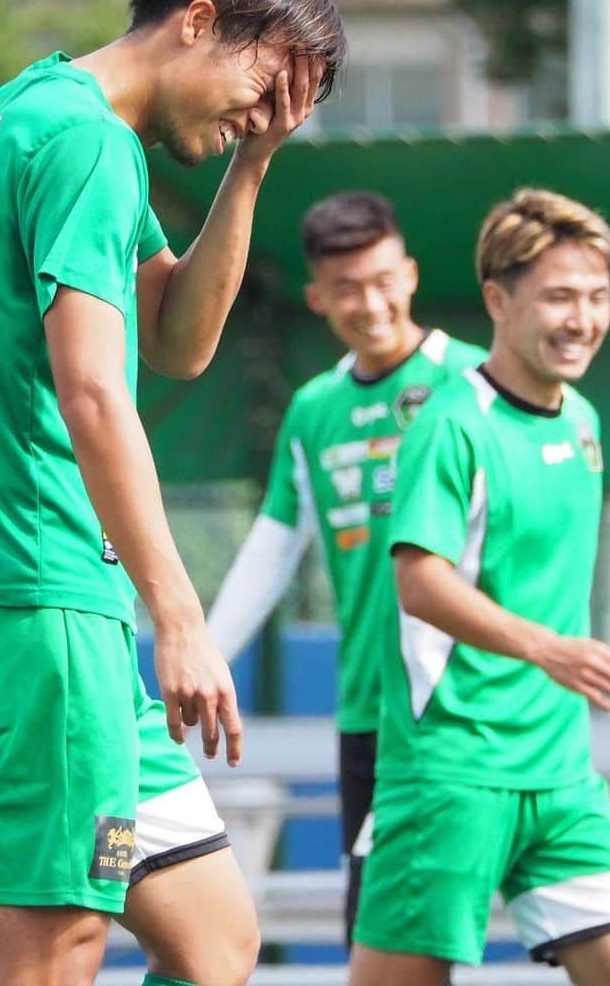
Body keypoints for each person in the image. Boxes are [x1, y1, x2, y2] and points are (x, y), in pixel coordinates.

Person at [0, 0, 345, 986]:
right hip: (37, 617)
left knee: (214, 942)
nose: (267, 109)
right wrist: (183, 618)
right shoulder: (88, 144)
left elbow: (179, 341)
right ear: (199, 21)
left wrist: (251, 168)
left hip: (65, 630)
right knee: (51, 964)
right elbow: (99, 392)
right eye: (265, 83)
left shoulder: (41, 109)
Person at [350, 188, 610, 986]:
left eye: (598, 297)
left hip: (563, 779)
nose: (583, 319)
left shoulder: (584, 421)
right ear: (497, 300)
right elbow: (420, 583)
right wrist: (550, 651)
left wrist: (554, 666)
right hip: (452, 770)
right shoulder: (451, 423)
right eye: (560, 297)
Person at [207, 190, 486, 944]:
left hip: (482, 710)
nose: (371, 303)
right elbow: (274, 543)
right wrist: (203, 652)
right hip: (374, 713)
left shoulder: (479, 385)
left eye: (383, 278)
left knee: (574, 924)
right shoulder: (313, 408)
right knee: (382, 934)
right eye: (347, 288)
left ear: (413, 274)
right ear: (316, 297)